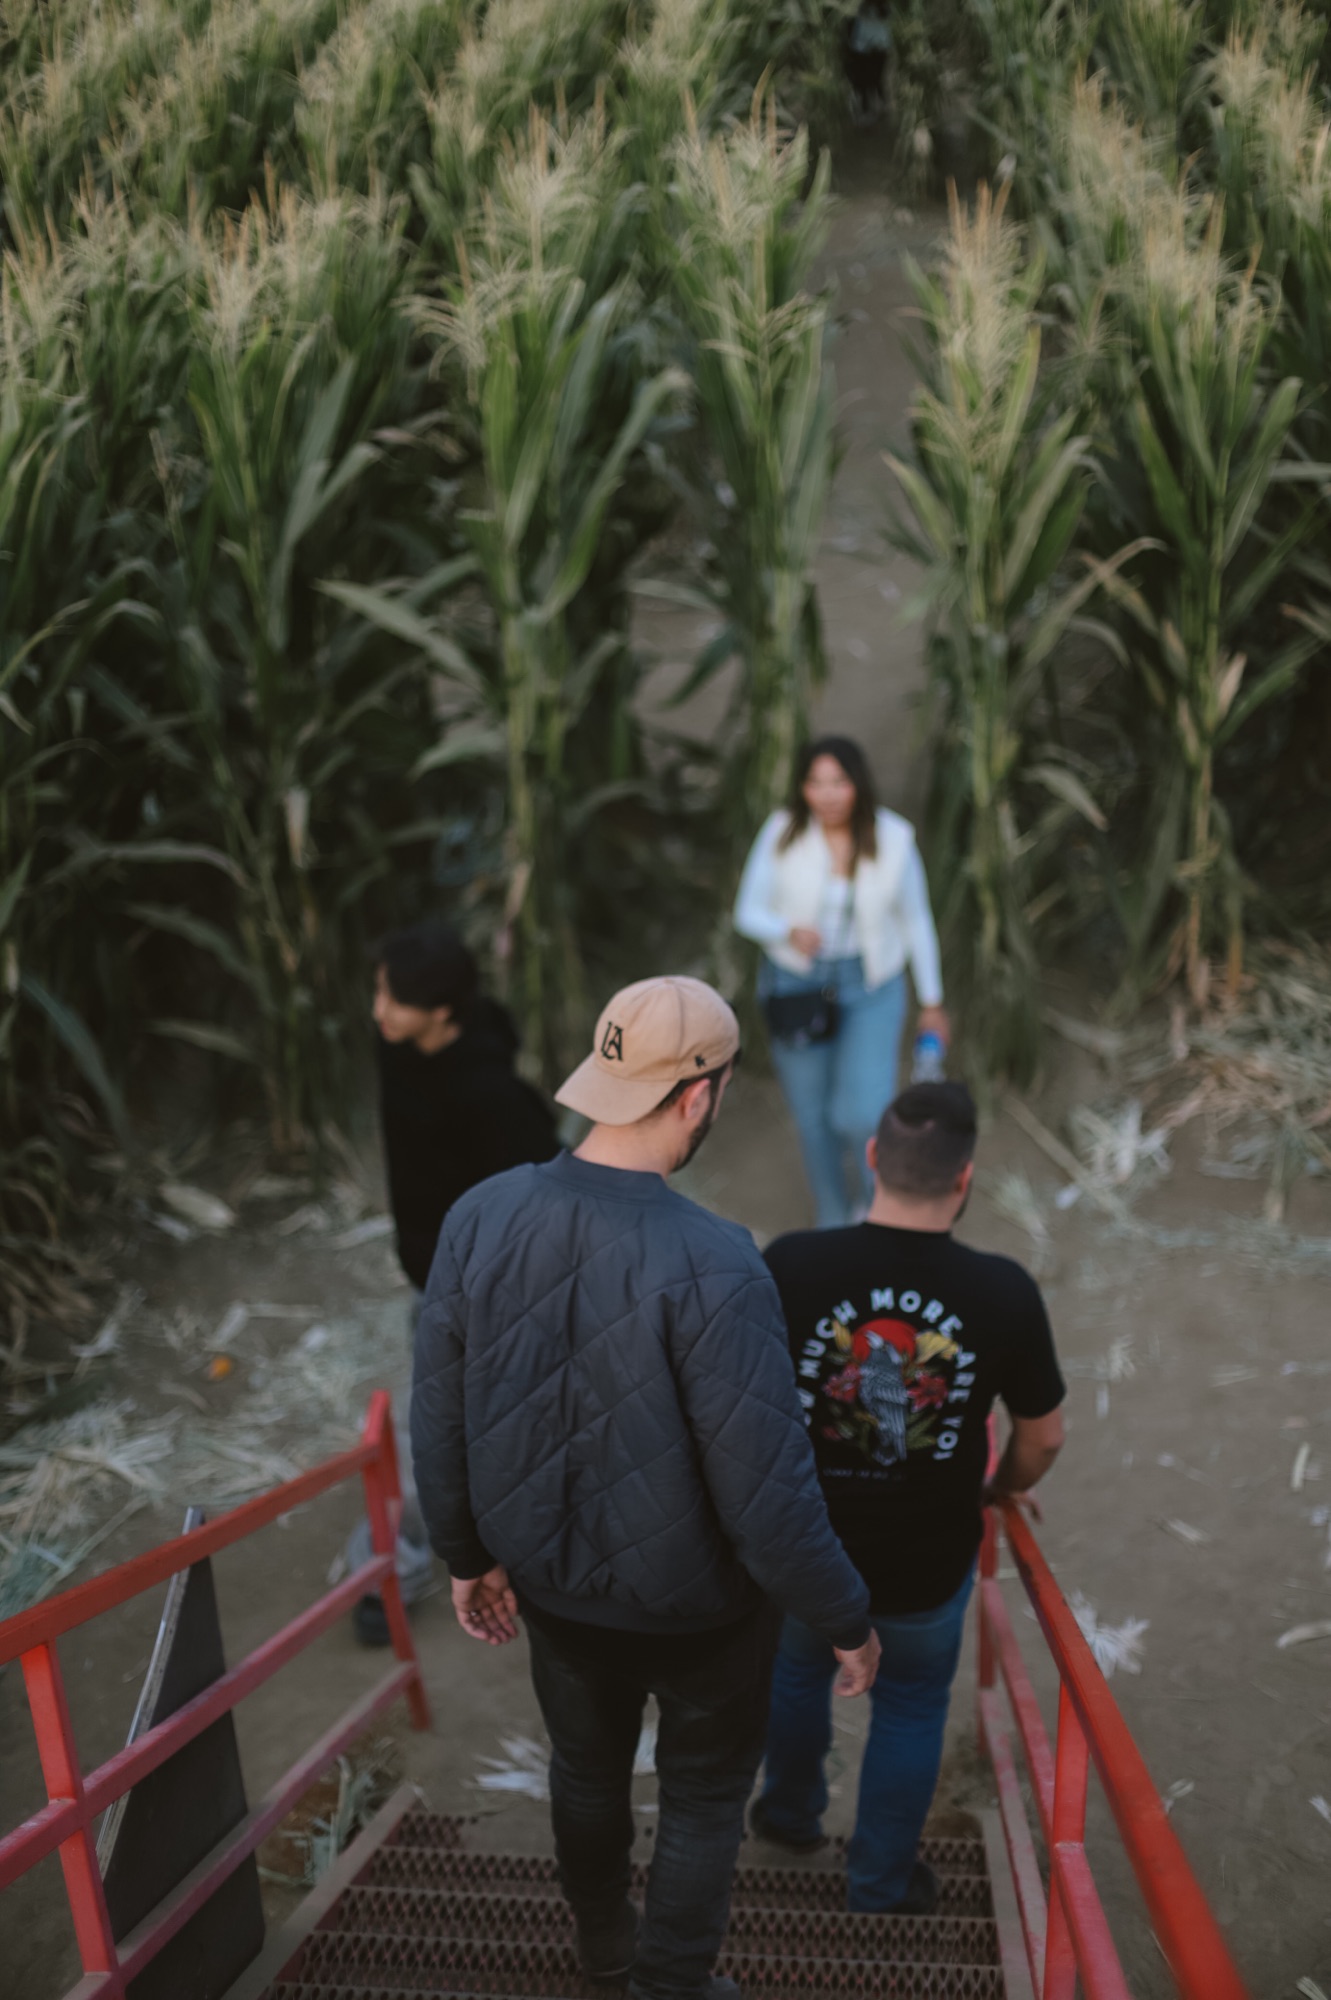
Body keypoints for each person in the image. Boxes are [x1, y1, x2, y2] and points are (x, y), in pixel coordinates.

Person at [412, 975, 881, 2000]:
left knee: (583, 1770)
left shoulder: (480, 1216)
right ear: (698, 1094)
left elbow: (437, 1412)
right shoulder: (717, 1263)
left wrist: (465, 1553)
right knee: (704, 1796)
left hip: (551, 1590)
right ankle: (668, 1983)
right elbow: (765, 1495)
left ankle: (603, 1945)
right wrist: (846, 1616)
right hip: (699, 1612)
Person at [752, 1082, 1065, 1914]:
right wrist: (1000, 1489)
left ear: (870, 1159)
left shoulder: (790, 1263)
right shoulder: (1003, 1290)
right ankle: (878, 1883)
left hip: (803, 1548)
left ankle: (787, 1815)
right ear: (964, 1178)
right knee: (912, 1707)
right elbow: (1043, 1437)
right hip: (925, 1563)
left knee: (794, 1673)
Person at [350, 918, 559, 1646]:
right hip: (432, 1273)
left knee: (439, 1431)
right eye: (380, 991)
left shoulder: (493, 1096)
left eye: (394, 999)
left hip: (493, 1292)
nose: (377, 1011)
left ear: (441, 1012)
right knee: (435, 1426)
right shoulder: (400, 1044)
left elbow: (548, 1186)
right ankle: (398, 1564)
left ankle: (396, 1567)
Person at [733, 735, 947, 1228]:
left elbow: (916, 920)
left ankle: (880, 1213)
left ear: (858, 784)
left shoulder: (893, 838)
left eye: (839, 782)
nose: (827, 795)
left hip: (871, 985)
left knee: (863, 1113)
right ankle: (833, 1216)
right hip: (796, 984)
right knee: (812, 1118)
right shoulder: (783, 831)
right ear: (802, 788)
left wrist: (932, 1000)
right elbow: (748, 910)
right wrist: (786, 930)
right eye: (815, 783)